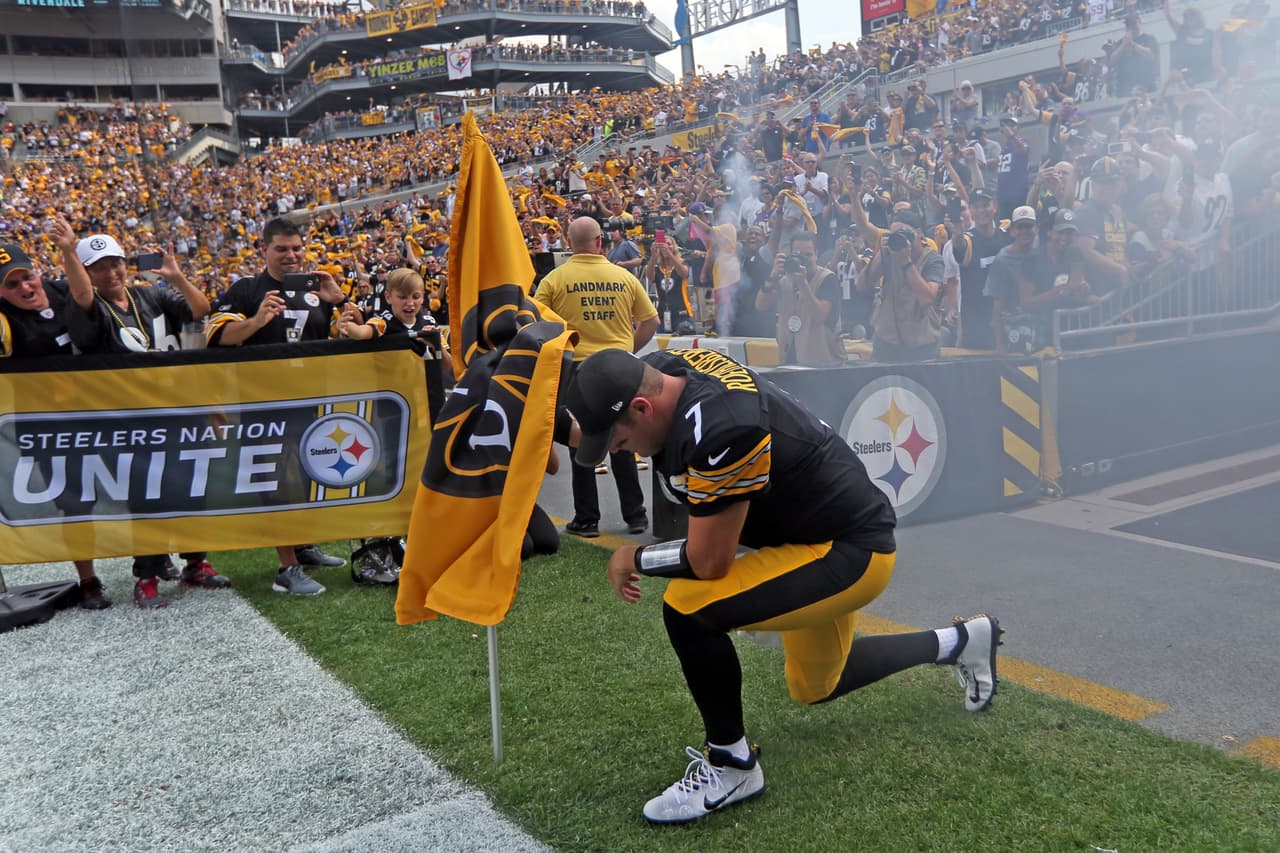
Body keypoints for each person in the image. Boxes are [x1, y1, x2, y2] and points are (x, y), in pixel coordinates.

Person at [562, 346, 1002, 825]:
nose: (622, 452)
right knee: (814, 686)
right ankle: (962, 641)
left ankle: (731, 765)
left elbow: (709, 561)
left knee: (688, 607)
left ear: (643, 408)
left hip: (849, 550)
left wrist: (634, 556)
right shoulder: (666, 372)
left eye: (621, 442)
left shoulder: (722, 429)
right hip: (810, 534)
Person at [205, 217, 351, 595]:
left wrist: (340, 301)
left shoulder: (315, 289)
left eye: (297, 248)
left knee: (303, 475)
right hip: (264, 403)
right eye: (282, 249)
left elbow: (356, 330)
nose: (291, 256)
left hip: (311, 398)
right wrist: (257, 320)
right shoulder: (247, 289)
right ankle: (286, 569)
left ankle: (302, 546)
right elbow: (218, 337)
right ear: (264, 250)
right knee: (277, 480)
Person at [0, 238, 110, 610]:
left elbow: (90, 299)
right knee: (75, 502)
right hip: (49, 425)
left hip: (102, 411)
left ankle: (152, 560)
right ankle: (89, 580)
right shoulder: (5, 320)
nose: (24, 288)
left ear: (38, 271)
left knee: (139, 487)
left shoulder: (64, 290)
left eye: (26, 277)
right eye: (10, 284)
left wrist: (68, 251)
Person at [533, 216, 658, 538]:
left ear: (569, 241)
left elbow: (534, 326)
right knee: (625, 440)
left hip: (580, 369)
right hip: (621, 366)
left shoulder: (554, 280)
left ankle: (587, 519)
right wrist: (629, 349)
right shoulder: (623, 276)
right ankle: (636, 515)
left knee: (582, 443)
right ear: (600, 241)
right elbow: (651, 321)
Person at [858, 210, 947, 363]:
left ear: (919, 233)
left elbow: (927, 298)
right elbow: (862, 286)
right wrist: (881, 254)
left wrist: (906, 262)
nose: (899, 238)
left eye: (904, 233)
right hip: (886, 341)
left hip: (921, 343)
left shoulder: (933, 259)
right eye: (895, 234)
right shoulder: (887, 255)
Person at [755, 232, 842, 366]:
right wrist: (772, 276)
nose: (803, 259)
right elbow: (761, 305)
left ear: (816, 254)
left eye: (807, 255)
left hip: (823, 361)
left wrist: (803, 284)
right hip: (789, 358)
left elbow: (820, 315)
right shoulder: (784, 280)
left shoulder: (828, 279)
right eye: (798, 254)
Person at [945, 188, 1012, 350]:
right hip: (976, 326)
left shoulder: (1005, 236)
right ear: (971, 210)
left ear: (994, 206)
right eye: (976, 206)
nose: (981, 210)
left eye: (985, 205)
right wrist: (957, 233)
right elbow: (961, 249)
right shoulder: (968, 238)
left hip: (1006, 322)